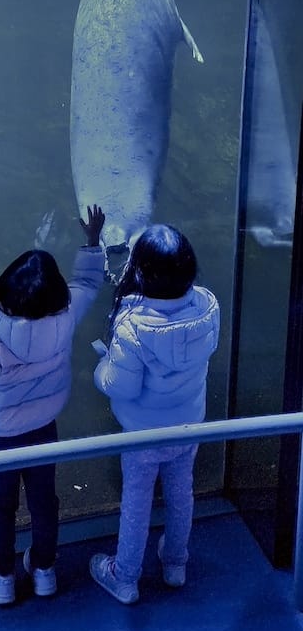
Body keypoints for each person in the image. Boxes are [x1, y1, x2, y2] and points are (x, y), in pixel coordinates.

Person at [0, 206, 106, 605]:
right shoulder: (66, 313)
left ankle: (3, 577)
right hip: (44, 427)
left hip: (1, 432)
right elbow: (88, 281)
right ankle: (44, 569)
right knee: (44, 501)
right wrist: (92, 242)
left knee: (1, 503)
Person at [89, 224, 220, 604]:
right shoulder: (208, 307)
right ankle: (176, 563)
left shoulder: (133, 328)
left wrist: (102, 369)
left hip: (142, 434)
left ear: (140, 272)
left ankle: (125, 577)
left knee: (137, 500)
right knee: (181, 493)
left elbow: (121, 385)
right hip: (187, 425)